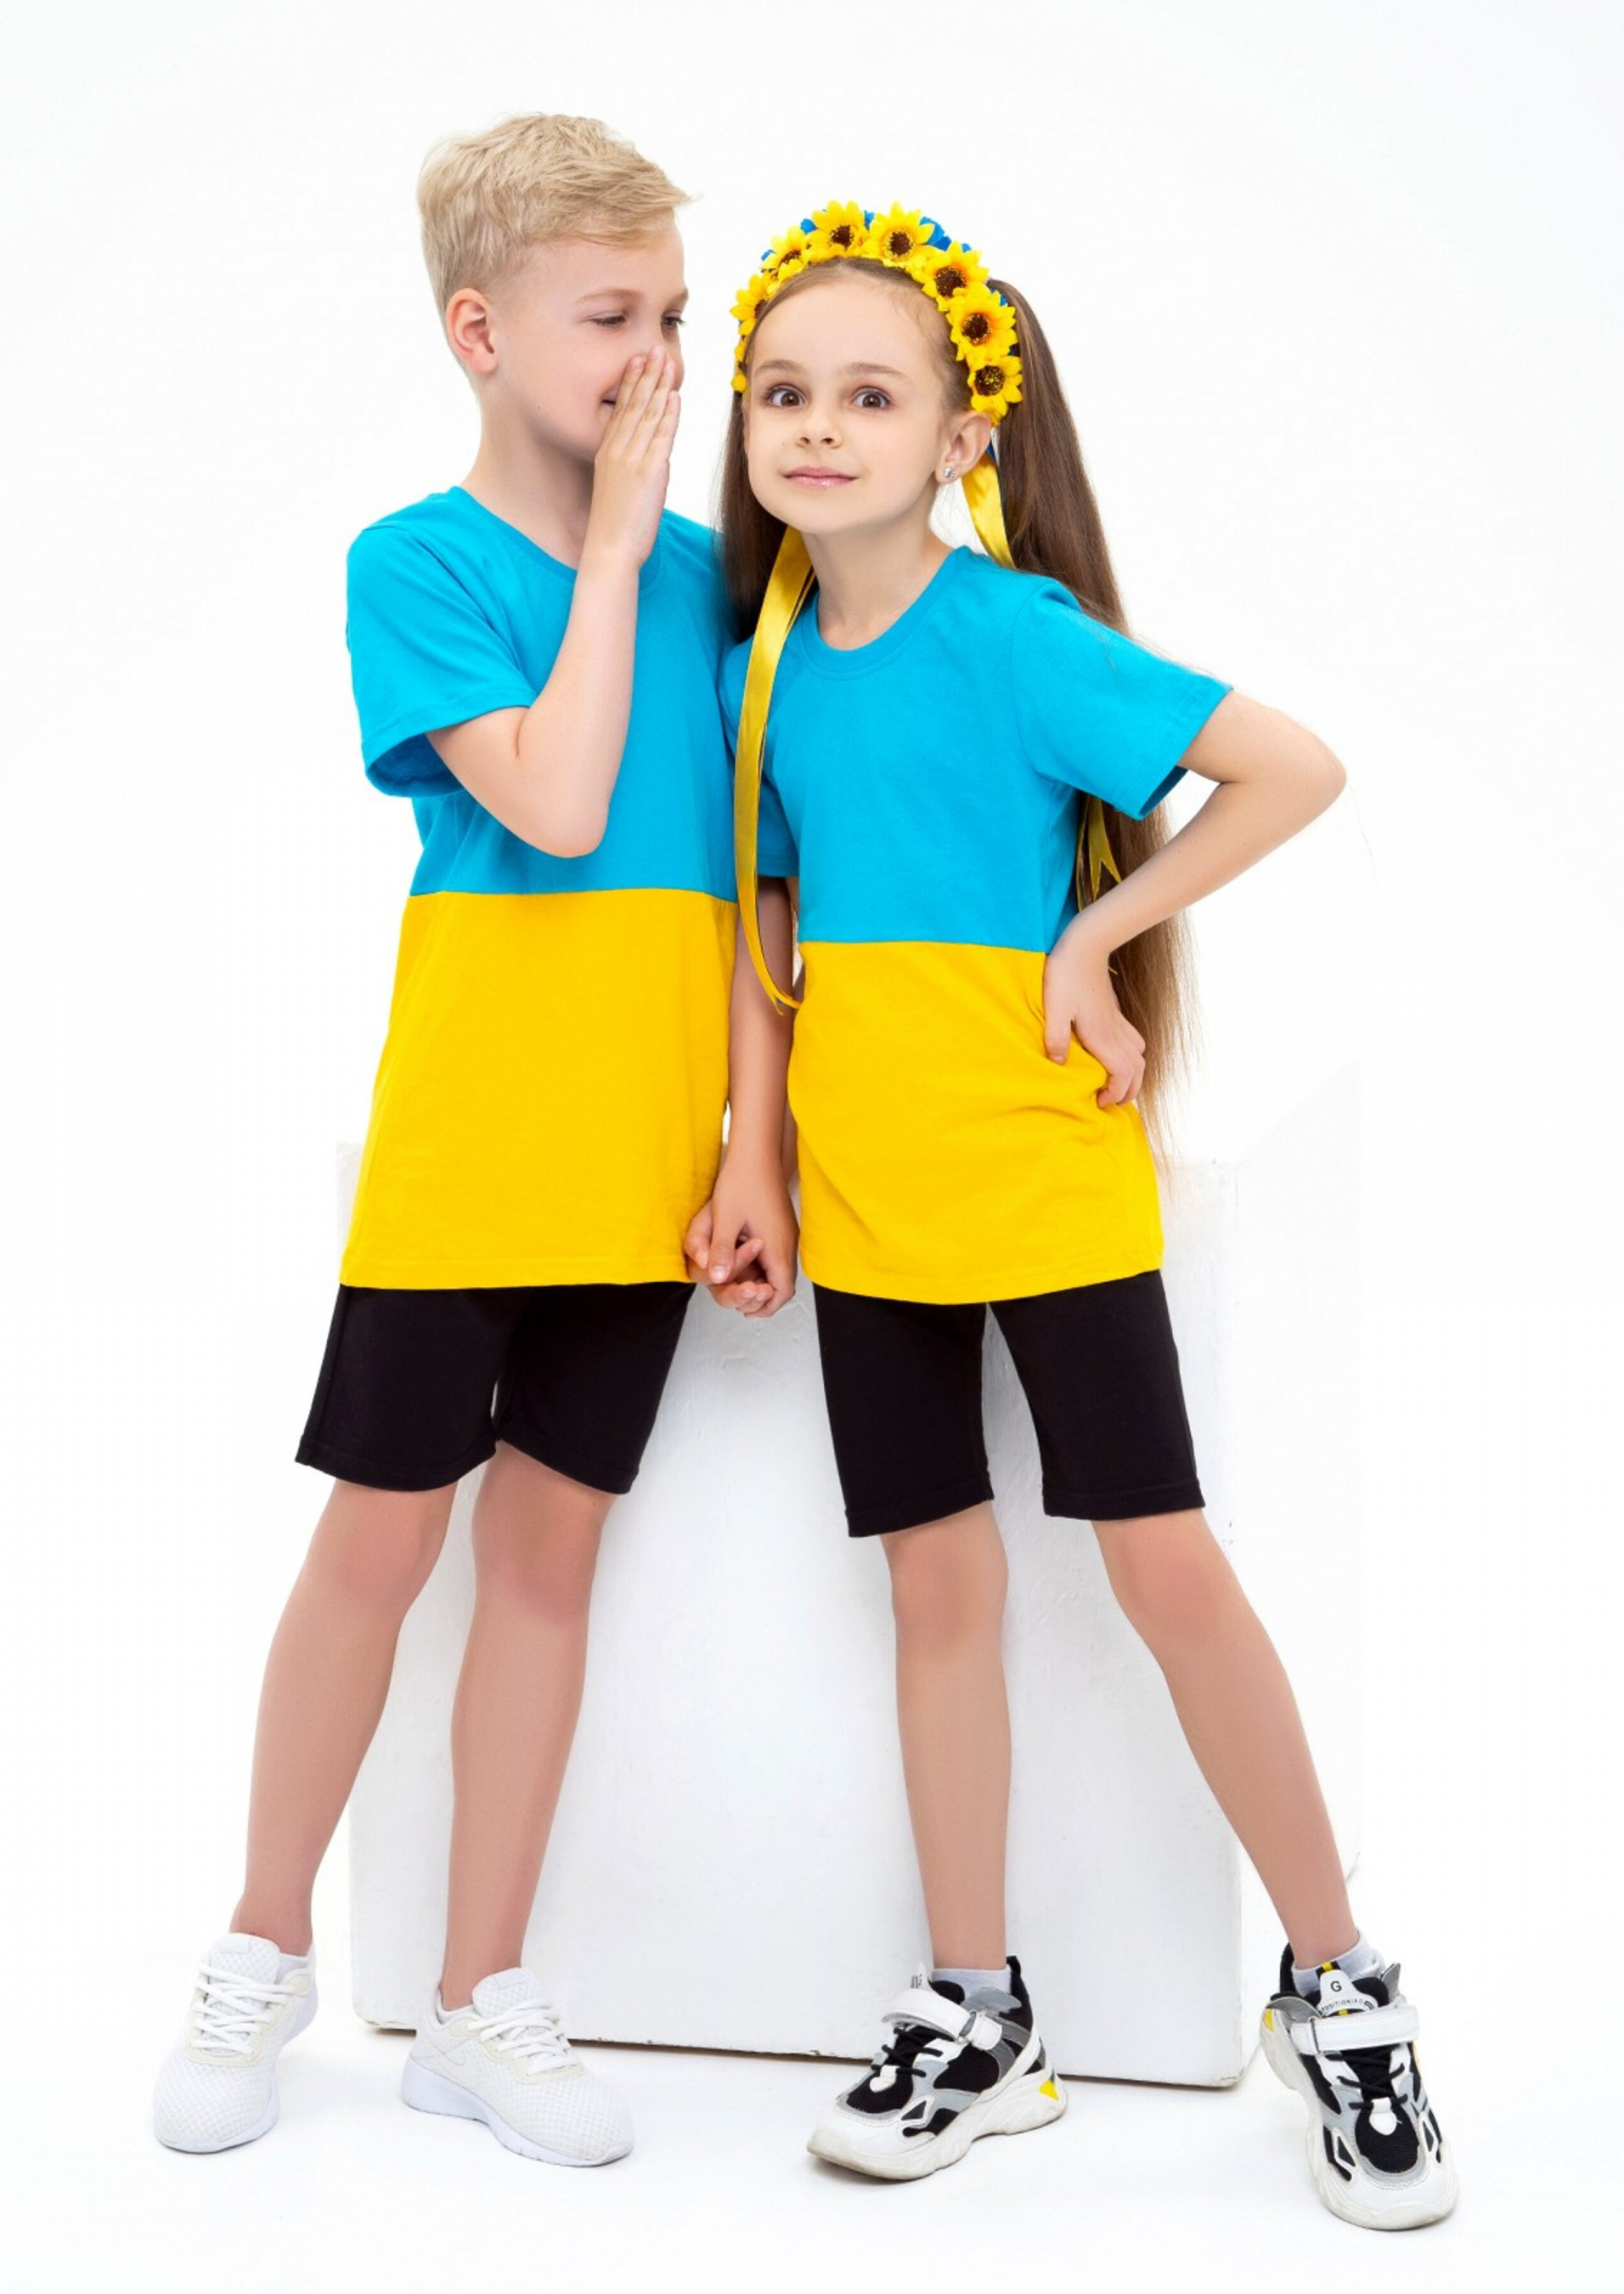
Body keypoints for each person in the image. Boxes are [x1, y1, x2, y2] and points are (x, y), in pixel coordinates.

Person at [701, 200, 1455, 2230]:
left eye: (868, 396)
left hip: (1039, 1179)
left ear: (961, 434)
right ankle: (975, 2010)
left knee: (1162, 1571)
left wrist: (1089, 940)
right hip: (863, 1202)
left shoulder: (1014, 633)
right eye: (783, 392)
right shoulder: (758, 663)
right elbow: (767, 911)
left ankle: (1339, 1986)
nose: (814, 428)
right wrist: (754, 1157)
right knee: (932, 1594)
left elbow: (1285, 770)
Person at [151, 113, 794, 2167]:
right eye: (610, 317)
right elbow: (558, 799)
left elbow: (753, 894)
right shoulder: (417, 566)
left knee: (547, 1561)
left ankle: (476, 1998)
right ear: (477, 328)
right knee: (377, 1542)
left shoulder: (719, 589)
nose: (655, 362)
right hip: (466, 1146)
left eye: (672, 317)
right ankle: (262, 1949)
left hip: (643, 1162)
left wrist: (752, 1147)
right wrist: (607, 555)